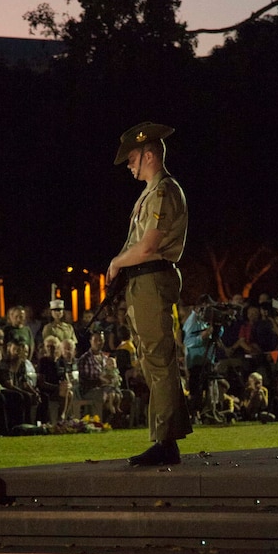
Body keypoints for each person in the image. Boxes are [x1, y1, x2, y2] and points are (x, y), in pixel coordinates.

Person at [106, 121, 192, 466]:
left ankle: (165, 440)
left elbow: (148, 246)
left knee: (158, 360)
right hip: (144, 281)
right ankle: (166, 437)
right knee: (152, 359)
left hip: (152, 278)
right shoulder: (153, 192)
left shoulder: (162, 191)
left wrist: (116, 262)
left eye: (132, 158)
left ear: (150, 155)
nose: (128, 165)